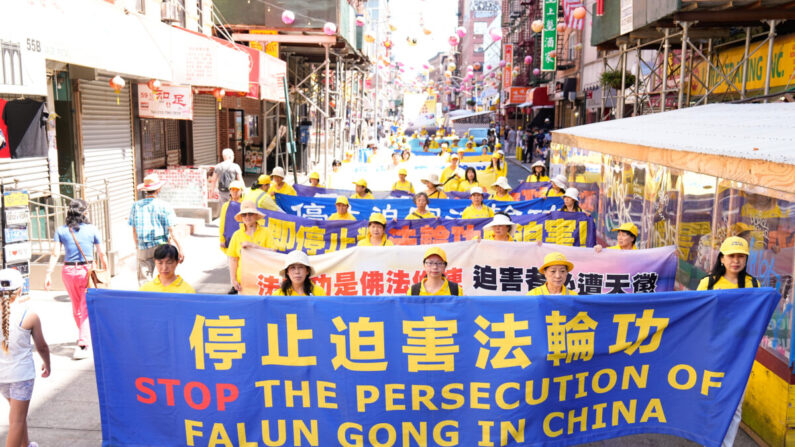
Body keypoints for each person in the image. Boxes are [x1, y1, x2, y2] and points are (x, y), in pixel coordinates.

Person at [696, 236, 757, 447]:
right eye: (731, 256)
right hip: (712, 352)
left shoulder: (753, 284)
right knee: (710, 399)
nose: (736, 261)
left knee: (735, 403)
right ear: (722, 258)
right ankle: (708, 439)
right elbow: (696, 316)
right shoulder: (708, 283)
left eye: (741, 256)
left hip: (741, 353)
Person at [43, 199, 106, 360]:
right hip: (87, 270)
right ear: (84, 213)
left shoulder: (61, 230)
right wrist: (105, 267)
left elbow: (55, 253)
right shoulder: (92, 229)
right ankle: (83, 343)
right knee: (85, 307)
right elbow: (101, 253)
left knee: (76, 306)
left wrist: (48, 274)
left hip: (69, 271)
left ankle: (83, 336)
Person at [0, 269, 50, 447]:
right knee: (17, 421)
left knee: (17, 416)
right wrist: (47, 364)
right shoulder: (29, 315)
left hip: (2, 376)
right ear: (20, 289)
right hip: (21, 376)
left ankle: (26, 445)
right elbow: (42, 346)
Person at [128, 173, 184, 285]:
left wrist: (136, 245)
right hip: (161, 245)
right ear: (158, 189)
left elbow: (134, 230)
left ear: (145, 190)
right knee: (165, 275)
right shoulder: (165, 206)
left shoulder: (136, 205)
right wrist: (180, 249)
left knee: (144, 280)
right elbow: (172, 231)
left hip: (143, 245)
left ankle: (147, 301)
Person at [227, 201, 274, 294]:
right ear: (241, 217)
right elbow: (233, 259)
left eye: (250, 214)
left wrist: (255, 247)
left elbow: (273, 252)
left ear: (256, 215)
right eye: (244, 215)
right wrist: (233, 279)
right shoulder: (237, 235)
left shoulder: (266, 232)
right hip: (244, 282)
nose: (247, 217)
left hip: (263, 280)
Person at [219, 180, 245, 255]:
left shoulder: (245, 204)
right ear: (229, 191)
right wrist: (222, 239)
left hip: (243, 239)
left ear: (241, 191)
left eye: (237, 189)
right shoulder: (225, 206)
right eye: (232, 189)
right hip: (229, 238)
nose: (235, 191)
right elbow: (222, 223)